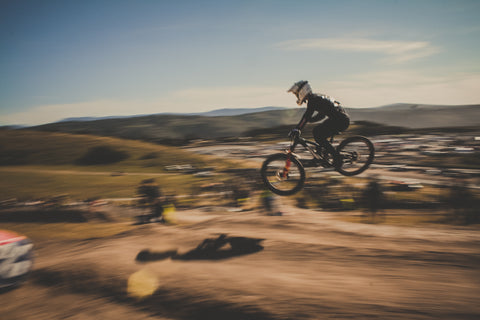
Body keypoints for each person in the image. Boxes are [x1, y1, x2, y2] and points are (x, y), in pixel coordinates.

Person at [287, 80, 350, 150]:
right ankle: (321, 156)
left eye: (296, 94)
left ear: (302, 91)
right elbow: (322, 115)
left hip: (340, 120)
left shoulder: (312, 101)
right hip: (341, 119)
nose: (296, 96)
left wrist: (297, 128)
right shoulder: (316, 98)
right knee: (317, 131)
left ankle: (337, 158)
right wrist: (311, 120)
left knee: (318, 135)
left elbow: (306, 116)